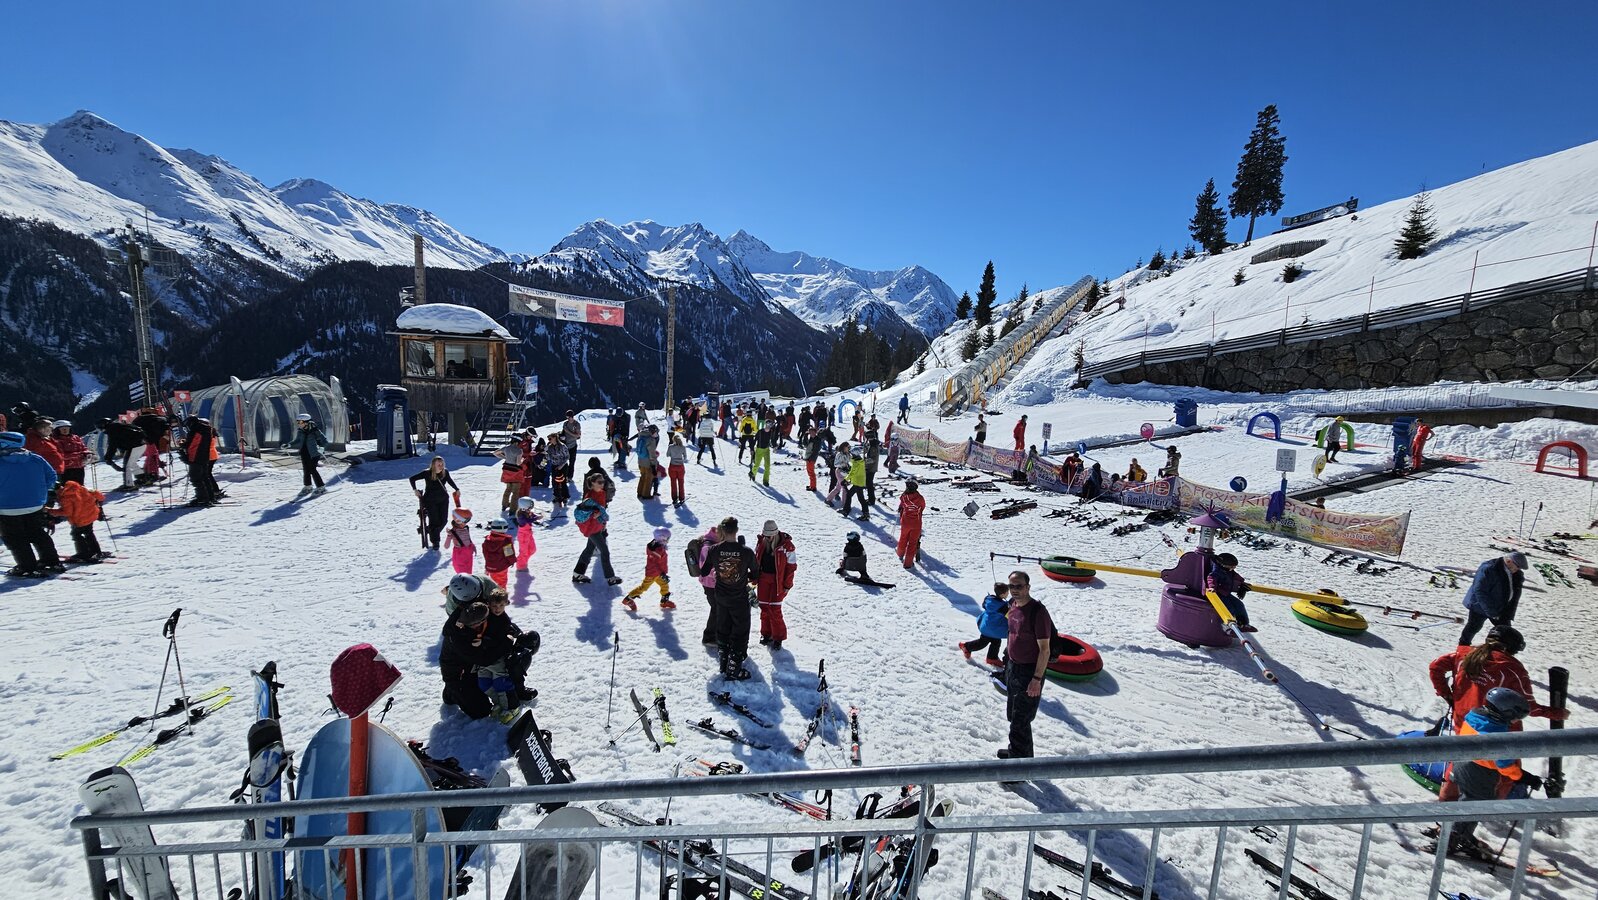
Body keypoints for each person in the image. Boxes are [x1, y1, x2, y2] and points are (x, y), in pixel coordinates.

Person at [1442, 687, 1541, 859]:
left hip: (1462, 764)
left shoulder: (1476, 715)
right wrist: (1523, 777)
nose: (1516, 721)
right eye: (1516, 717)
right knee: (1475, 806)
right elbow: (1504, 765)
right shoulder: (1496, 735)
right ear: (1506, 713)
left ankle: (1458, 833)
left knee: (1467, 801)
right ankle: (1455, 839)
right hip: (1480, 772)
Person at [1429, 625, 1566, 733]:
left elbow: (1435, 667)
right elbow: (1527, 706)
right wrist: (1556, 713)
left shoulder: (1463, 655)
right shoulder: (1513, 669)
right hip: (1496, 730)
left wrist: (1447, 694)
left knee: (1466, 755)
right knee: (1497, 760)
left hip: (1463, 721)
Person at [999, 570, 1052, 763]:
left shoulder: (1038, 612)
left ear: (1028, 587)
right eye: (1011, 586)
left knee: (1021, 720)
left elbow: (1045, 650)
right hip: (1013, 667)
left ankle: (1019, 766)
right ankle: (1019, 754)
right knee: (1013, 715)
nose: (1014, 590)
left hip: (1029, 672)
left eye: (1019, 586)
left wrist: (1036, 679)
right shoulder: (1012, 605)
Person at [0, 432, 63, 577]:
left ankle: (27, 567)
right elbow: (52, 476)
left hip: (7, 507)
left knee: (15, 537)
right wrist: (41, 490)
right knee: (37, 532)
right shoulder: (35, 458)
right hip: (35, 504)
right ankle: (51, 561)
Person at [707, 516, 758, 679]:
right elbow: (756, 574)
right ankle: (734, 669)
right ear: (736, 530)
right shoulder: (746, 552)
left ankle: (724, 662)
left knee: (723, 627)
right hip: (739, 598)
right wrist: (744, 574)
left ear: (722, 530)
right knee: (740, 631)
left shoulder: (713, 550)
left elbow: (704, 571)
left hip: (721, 597)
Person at [1459, 552, 1526, 646]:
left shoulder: (1516, 574)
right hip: (1480, 606)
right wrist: (1491, 611)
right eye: (1517, 566)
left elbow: (1514, 595)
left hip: (1501, 608)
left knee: (1506, 632)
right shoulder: (1489, 568)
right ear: (1509, 561)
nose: (1518, 569)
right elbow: (1480, 591)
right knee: (1473, 628)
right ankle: (1462, 647)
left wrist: (1508, 613)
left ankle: (1500, 650)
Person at [755, 520, 797, 651]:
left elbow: (791, 567)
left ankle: (778, 637)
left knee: (775, 609)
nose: (767, 538)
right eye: (766, 536)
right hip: (763, 579)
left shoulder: (787, 546)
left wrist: (787, 585)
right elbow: (756, 560)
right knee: (764, 607)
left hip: (778, 581)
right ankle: (766, 634)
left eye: (769, 536)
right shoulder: (761, 543)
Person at [47, 477, 106, 563]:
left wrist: (49, 511)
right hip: (91, 515)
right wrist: (99, 501)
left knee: (76, 534)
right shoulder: (77, 487)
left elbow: (67, 512)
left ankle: (83, 554)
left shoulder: (65, 497)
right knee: (89, 533)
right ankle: (96, 551)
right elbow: (97, 494)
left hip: (80, 519)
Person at [409, 456, 460, 551]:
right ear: (433, 465)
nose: (441, 466)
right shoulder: (427, 473)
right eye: (438, 464)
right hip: (430, 500)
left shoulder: (445, 472)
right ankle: (435, 542)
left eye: (442, 464)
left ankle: (431, 531)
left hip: (443, 499)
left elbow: (449, 481)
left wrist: (456, 489)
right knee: (435, 521)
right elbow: (412, 479)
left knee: (444, 521)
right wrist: (415, 490)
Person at [623, 526, 675, 612]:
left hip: (658, 573)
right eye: (667, 538)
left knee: (664, 585)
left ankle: (664, 602)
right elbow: (655, 564)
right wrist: (662, 574)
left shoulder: (656, 545)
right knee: (643, 587)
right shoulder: (658, 550)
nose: (668, 540)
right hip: (653, 573)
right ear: (662, 538)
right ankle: (628, 599)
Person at [572, 496, 621, 585]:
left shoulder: (596, 498)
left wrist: (602, 525)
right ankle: (610, 577)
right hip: (594, 532)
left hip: (595, 530)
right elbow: (599, 517)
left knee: (589, 550)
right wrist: (599, 516)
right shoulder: (592, 504)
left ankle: (577, 574)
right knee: (604, 551)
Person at [960, 582, 1010, 667]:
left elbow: (984, 606)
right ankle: (966, 646)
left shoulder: (989, 599)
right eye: (1007, 592)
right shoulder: (1002, 606)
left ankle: (992, 658)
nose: (1008, 594)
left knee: (995, 641)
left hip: (986, 624)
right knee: (983, 643)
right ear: (1002, 594)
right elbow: (1009, 615)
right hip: (992, 628)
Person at [688, 524, 723, 645]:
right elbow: (705, 568)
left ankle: (716, 634)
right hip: (710, 584)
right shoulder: (707, 547)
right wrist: (719, 574)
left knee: (718, 608)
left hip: (713, 583)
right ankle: (709, 637)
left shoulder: (714, 543)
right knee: (716, 608)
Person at [1206, 552, 1255, 632]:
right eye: (1231, 567)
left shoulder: (1229, 570)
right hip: (1219, 594)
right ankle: (1227, 627)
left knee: (1239, 605)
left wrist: (1242, 583)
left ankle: (1243, 624)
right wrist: (1212, 587)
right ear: (1223, 565)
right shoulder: (1216, 571)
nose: (1233, 569)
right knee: (1229, 608)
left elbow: (1236, 576)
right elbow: (1211, 579)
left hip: (1226, 593)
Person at [181, 416, 222, 507]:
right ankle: (210, 496)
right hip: (205, 456)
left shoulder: (196, 430)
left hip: (196, 457)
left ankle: (202, 498)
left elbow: (191, 445)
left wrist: (183, 445)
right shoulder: (206, 430)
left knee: (196, 478)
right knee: (205, 476)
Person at [286, 413, 328, 498]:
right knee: (306, 470)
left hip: (314, 453)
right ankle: (308, 486)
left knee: (312, 469)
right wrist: (289, 444)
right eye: (298, 422)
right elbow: (297, 440)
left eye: (300, 422)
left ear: (307, 422)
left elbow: (325, 441)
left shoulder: (315, 430)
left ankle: (321, 487)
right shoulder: (300, 431)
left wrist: (322, 448)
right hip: (304, 452)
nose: (299, 424)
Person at [99, 416, 146, 489]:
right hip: (140, 444)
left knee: (127, 466)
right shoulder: (119, 426)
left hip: (134, 446)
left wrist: (108, 457)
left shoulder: (112, 431)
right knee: (131, 463)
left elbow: (112, 445)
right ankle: (142, 478)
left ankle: (129, 485)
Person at [896, 477, 927, 569]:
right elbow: (922, 507)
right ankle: (908, 563)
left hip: (905, 521)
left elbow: (902, 506)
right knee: (912, 543)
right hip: (916, 523)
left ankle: (900, 553)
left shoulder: (903, 497)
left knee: (903, 538)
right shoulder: (920, 498)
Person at [495, 435, 527, 513]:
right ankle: (513, 509)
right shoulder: (519, 450)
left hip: (507, 470)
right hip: (516, 472)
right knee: (515, 492)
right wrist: (522, 459)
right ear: (517, 442)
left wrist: (505, 457)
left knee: (508, 489)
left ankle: (504, 505)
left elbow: (495, 453)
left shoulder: (506, 448)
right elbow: (518, 463)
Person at [482, 517, 517, 588]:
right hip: (501, 567)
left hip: (490, 567)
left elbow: (485, 553)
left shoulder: (487, 540)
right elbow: (509, 554)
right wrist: (512, 561)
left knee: (493, 581)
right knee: (501, 584)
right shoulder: (505, 541)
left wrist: (488, 564)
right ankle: (501, 594)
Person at [51, 420, 89, 485]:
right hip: (66, 469)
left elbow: (83, 447)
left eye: (67, 428)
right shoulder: (55, 440)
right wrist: (79, 455)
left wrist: (87, 453)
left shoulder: (76, 437)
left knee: (80, 486)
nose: (65, 430)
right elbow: (60, 455)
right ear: (57, 430)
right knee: (68, 487)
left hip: (79, 467)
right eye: (62, 429)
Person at [512, 496, 540, 572]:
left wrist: (536, 516)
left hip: (529, 534)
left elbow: (532, 515)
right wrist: (536, 518)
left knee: (532, 549)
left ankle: (523, 561)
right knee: (523, 552)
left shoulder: (527, 512)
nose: (530, 508)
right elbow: (528, 520)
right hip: (523, 536)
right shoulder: (520, 516)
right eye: (529, 506)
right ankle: (520, 566)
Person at [444, 508, 476, 574]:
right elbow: (446, 546)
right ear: (458, 520)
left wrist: (473, 546)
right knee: (463, 575)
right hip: (460, 557)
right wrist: (449, 536)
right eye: (466, 521)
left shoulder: (466, 528)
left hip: (468, 555)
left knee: (469, 574)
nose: (466, 523)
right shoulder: (453, 532)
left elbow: (468, 539)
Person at [841, 449, 869, 521]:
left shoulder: (857, 463)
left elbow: (852, 472)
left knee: (860, 499)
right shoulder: (859, 461)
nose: (851, 455)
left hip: (858, 483)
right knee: (849, 495)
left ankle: (866, 514)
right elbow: (852, 462)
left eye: (852, 454)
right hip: (858, 482)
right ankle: (846, 510)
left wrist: (845, 480)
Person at [666, 431, 688, 507]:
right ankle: (681, 497)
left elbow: (667, 455)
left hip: (672, 465)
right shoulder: (683, 447)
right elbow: (685, 457)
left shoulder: (670, 447)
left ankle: (674, 498)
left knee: (673, 482)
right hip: (680, 466)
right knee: (681, 482)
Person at [749, 420, 774, 486]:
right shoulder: (760, 432)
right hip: (759, 449)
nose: (768, 426)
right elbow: (754, 441)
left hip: (766, 450)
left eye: (770, 425)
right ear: (765, 424)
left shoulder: (771, 432)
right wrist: (752, 449)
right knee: (757, 465)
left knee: (767, 466)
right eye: (768, 424)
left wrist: (775, 446)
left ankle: (765, 481)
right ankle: (753, 474)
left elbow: (772, 440)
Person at [862, 434, 881, 508]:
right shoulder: (873, 444)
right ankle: (871, 498)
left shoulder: (873, 446)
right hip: (870, 467)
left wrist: (864, 461)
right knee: (868, 483)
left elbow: (873, 459)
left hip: (871, 468)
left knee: (869, 484)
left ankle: (871, 500)